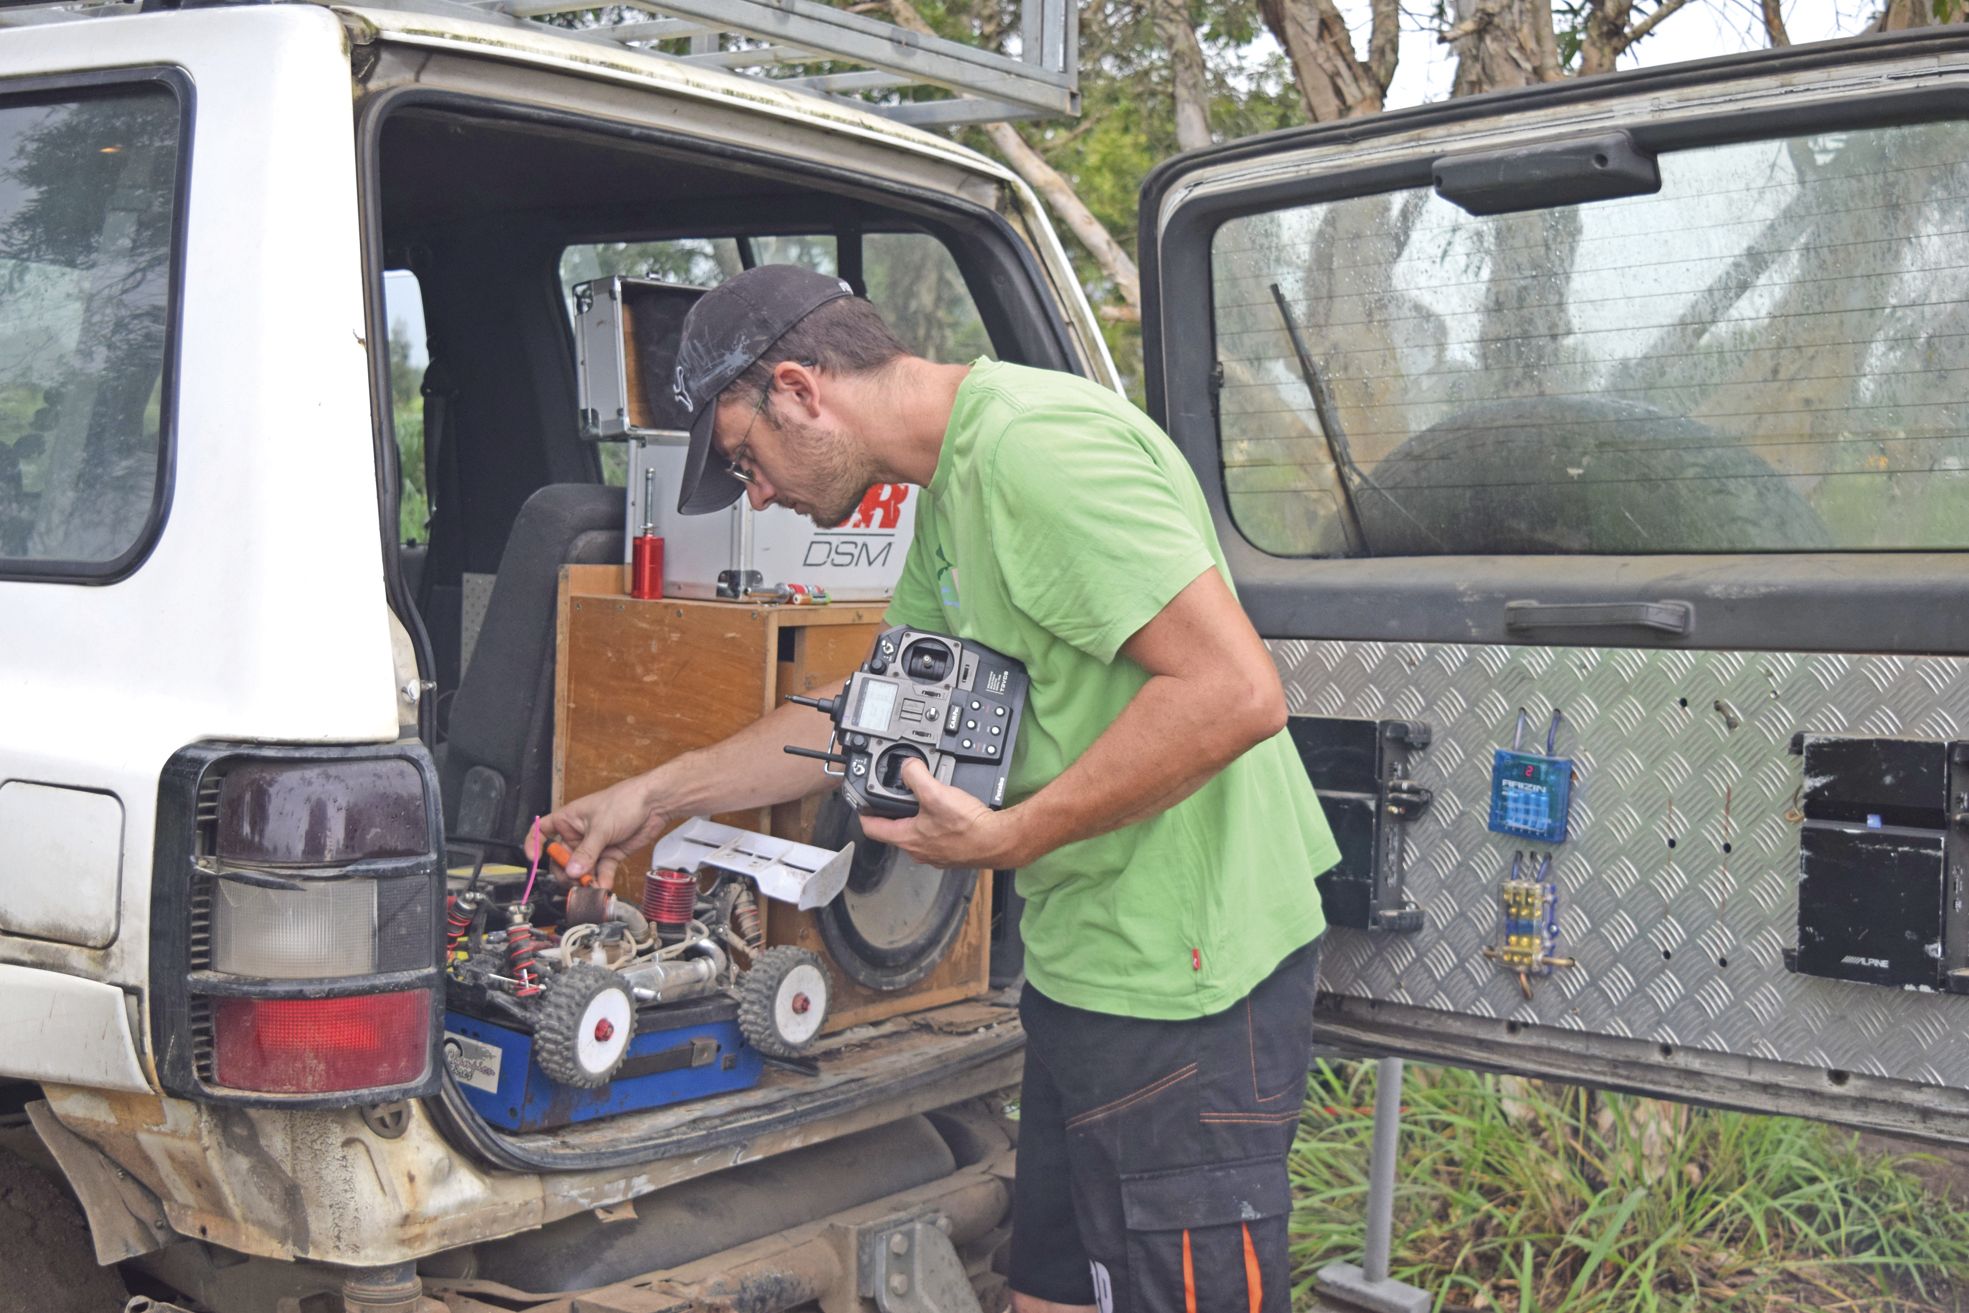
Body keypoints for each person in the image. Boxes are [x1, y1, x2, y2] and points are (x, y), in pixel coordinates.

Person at [540, 265, 1340, 1313]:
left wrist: (1015, 833)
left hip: (1189, 974)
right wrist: (654, 796)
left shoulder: (1036, 454)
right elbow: (867, 708)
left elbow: (1235, 691)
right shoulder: (954, 489)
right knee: (1047, 1290)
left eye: (745, 459)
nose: (758, 494)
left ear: (798, 389)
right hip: (1087, 960)